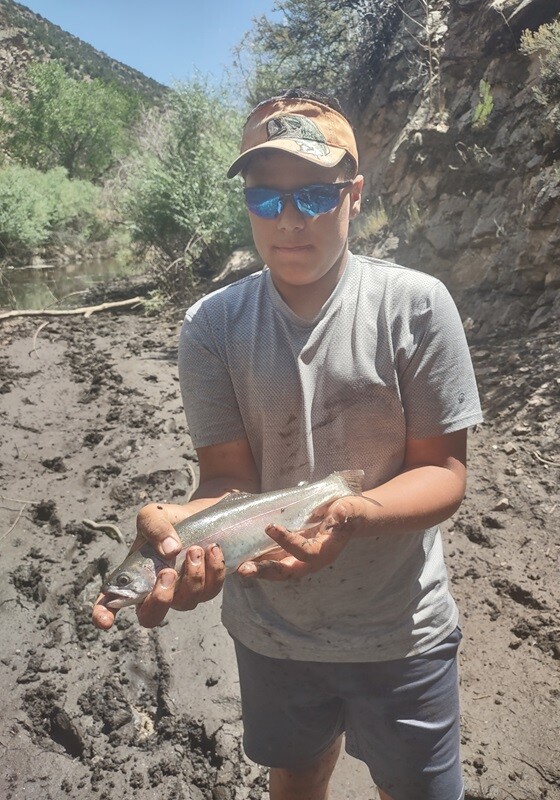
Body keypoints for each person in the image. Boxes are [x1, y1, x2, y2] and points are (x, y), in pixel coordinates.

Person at [93, 87, 483, 800]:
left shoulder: (418, 307)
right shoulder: (210, 326)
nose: (289, 219)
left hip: (402, 629)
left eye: (313, 194)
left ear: (354, 194)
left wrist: (353, 513)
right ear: (245, 202)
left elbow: (443, 472)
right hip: (270, 633)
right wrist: (184, 531)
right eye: (266, 199)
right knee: (296, 775)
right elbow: (224, 481)